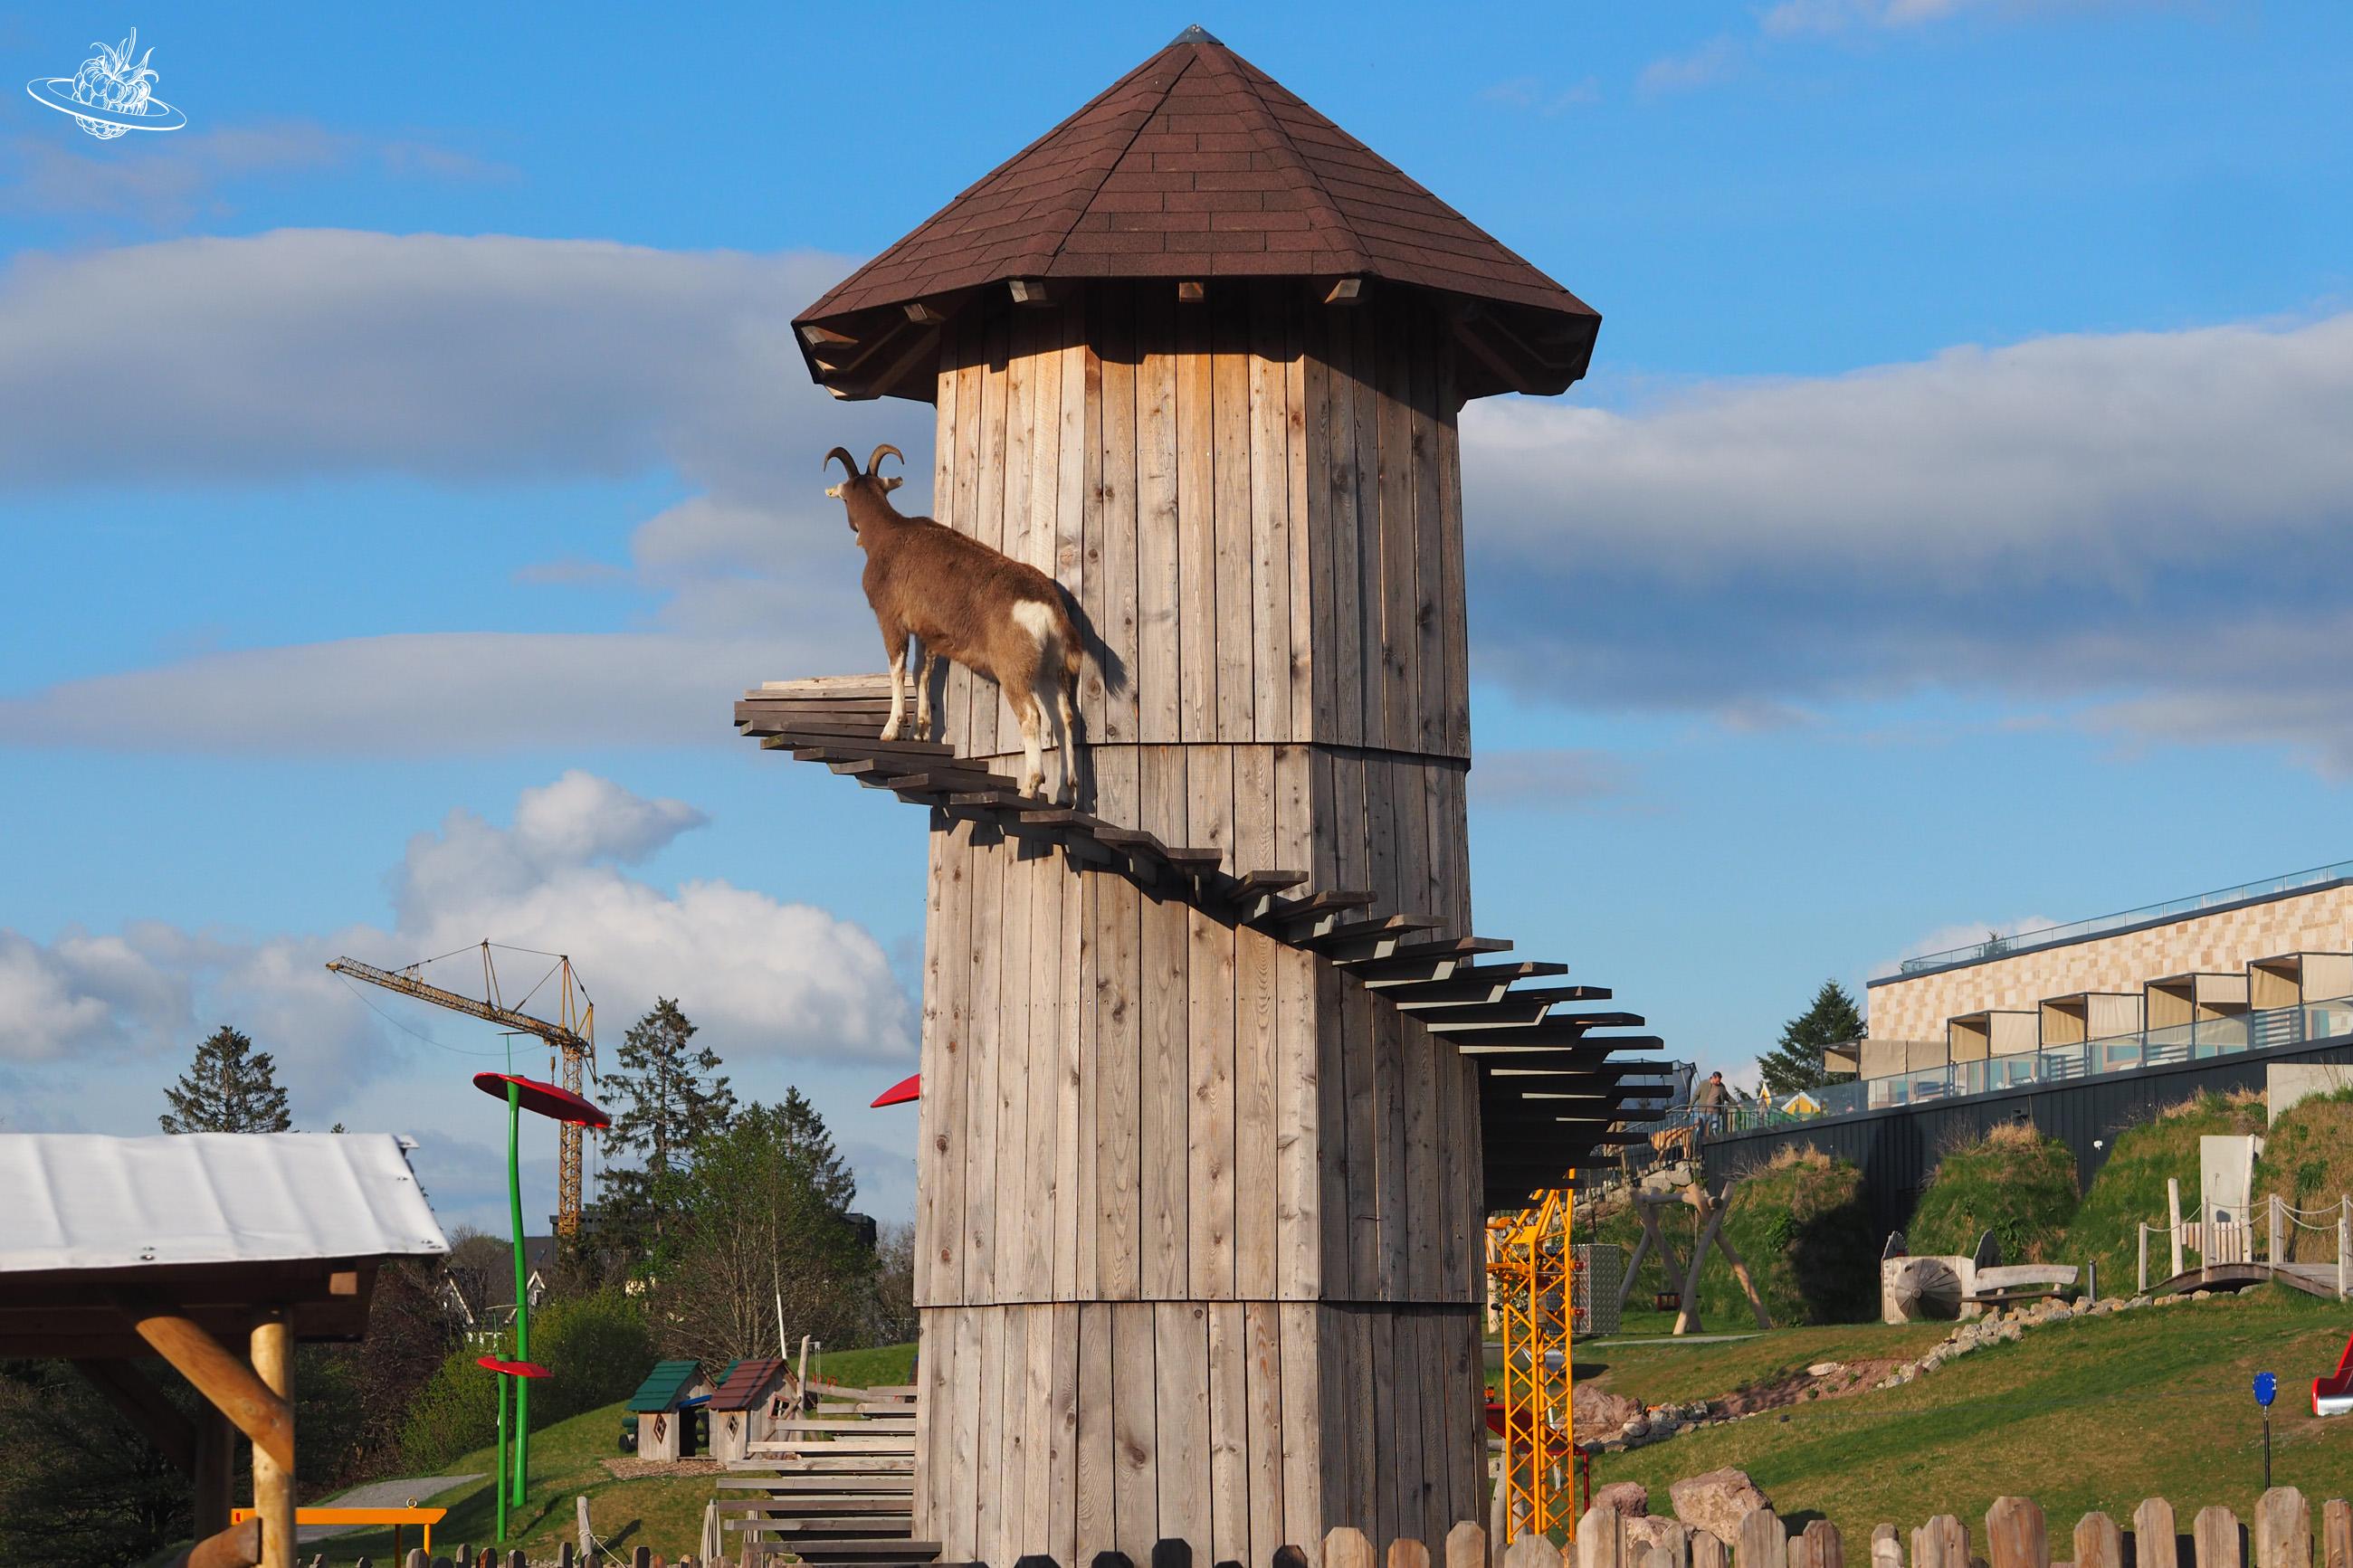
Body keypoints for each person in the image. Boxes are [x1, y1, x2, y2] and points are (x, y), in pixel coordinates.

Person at [1691, 1069, 1729, 1136]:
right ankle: (1698, 1144)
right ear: (1713, 1078)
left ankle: (1715, 1144)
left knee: (1715, 1129)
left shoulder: (1721, 1087)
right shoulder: (1703, 1083)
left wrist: (1736, 1104)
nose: (1718, 1083)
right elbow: (1696, 1095)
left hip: (1715, 1112)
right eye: (1717, 1081)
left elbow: (1727, 1096)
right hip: (1703, 1111)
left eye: (1719, 1081)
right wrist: (1690, 1106)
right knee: (1700, 1130)